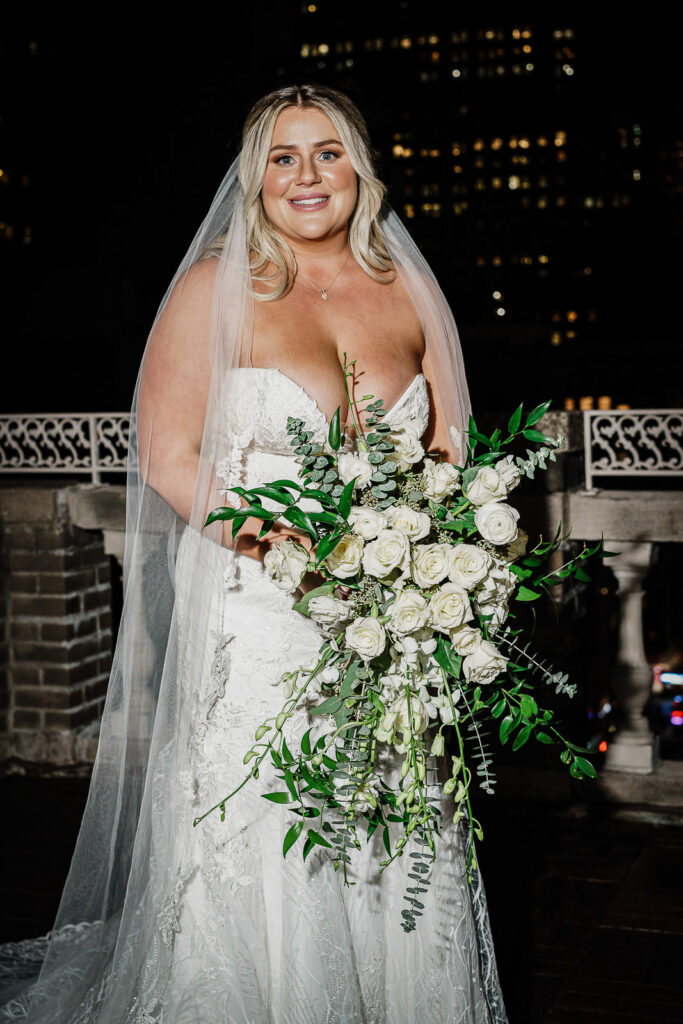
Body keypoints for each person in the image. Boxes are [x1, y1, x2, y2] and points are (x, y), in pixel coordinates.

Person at [0, 84, 508, 1023]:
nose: (306, 176)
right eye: (282, 157)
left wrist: (426, 559)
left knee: (393, 815)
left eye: (326, 152)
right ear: (255, 180)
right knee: (269, 822)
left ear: (360, 168)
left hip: (388, 617)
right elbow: (167, 458)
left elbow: (449, 447)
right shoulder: (216, 287)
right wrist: (290, 551)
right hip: (259, 615)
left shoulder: (407, 287)